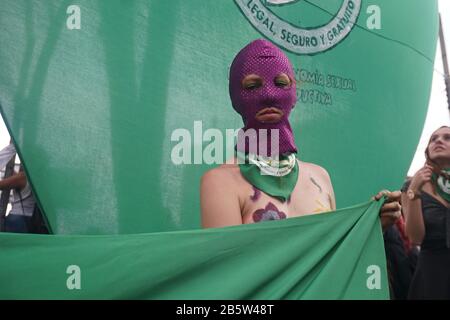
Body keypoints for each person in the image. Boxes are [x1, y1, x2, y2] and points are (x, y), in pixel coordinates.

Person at [200, 39, 401, 229]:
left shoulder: (320, 177)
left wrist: (371, 227)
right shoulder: (221, 182)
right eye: (253, 86)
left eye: (280, 83)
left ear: (293, 93)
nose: (269, 95)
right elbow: (226, 265)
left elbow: (333, 256)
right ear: (235, 96)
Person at [403, 126, 450, 299]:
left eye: (447, 138)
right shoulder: (412, 186)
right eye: (433, 139)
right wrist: (415, 190)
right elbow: (415, 237)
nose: (439, 141)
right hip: (431, 278)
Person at [0, 143, 48, 234]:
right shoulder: (41, 179)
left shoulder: (23, 177)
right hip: (33, 218)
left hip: (18, 218)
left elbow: (2, 185)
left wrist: (11, 150)